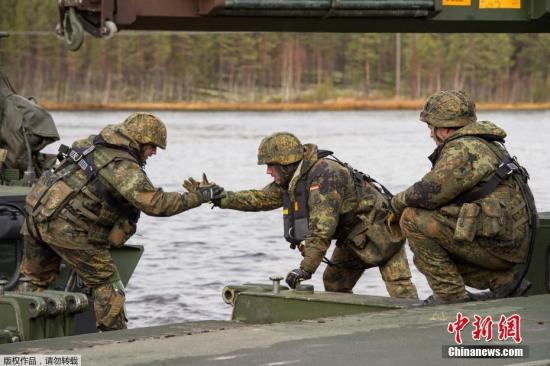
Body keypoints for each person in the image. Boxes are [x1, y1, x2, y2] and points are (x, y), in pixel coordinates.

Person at [20, 112, 223, 331]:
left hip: (35, 217)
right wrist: (200, 196)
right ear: (138, 141)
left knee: (34, 283)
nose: (154, 152)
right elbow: (157, 204)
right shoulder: (122, 165)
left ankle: (19, 336)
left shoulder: (91, 143)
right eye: (152, 146)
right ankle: (115, 343)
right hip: (67, 229)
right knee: (109, 286)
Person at [195, 132, 418, 298]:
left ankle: (418, 332)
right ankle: (349, 330)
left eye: (270, 166)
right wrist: (219, 197)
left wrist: (305, 268)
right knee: (334, 282)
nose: (267, 171)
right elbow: (260, 198)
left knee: (401, 289)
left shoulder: (326, 176)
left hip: (382, 230)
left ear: (286, 164)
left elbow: (321, 229)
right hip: (353, 237)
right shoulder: (294, 178)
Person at [391, 90, 536, 305]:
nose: (431, 134)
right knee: (435, 241)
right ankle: (503, 282)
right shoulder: (486, 143)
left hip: (501, 246)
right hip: (511, 243)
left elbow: (427, 193)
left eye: (431, 128)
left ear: (443, 129)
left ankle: (451, 297)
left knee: (412, 218)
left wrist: (395, 203)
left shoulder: (464, 148)